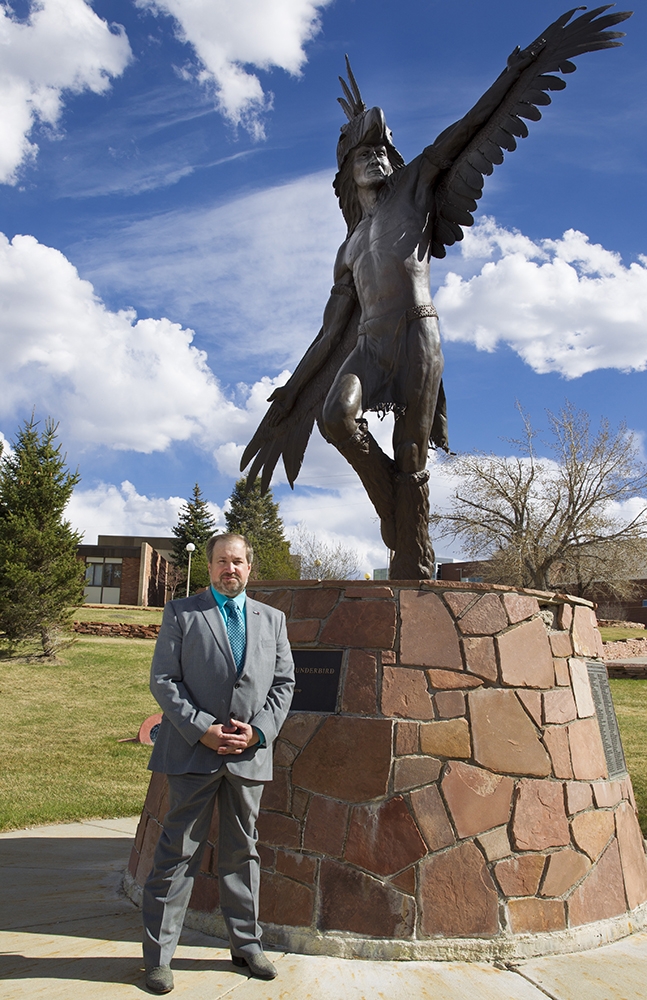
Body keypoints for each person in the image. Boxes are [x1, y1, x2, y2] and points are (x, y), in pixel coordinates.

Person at [240, 8, 631, 580]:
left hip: (418, 334)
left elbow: (470, 127)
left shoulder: (418, 187)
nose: (374, 158)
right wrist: (290, 392)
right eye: (361, 155)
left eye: (381, 152)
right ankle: (394, 517)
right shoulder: (348, 250)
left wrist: (517, 72)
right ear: (346, 173)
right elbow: (329, 335)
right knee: (335, 417)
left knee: (413, 455)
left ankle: (413, 556)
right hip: (369, 346)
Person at [141, 532, 295, 994]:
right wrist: (202, 729)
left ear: (250, 567)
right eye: (222, 562)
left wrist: (259, 731)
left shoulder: (273, 620)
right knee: (177, 853)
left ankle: (247, 946)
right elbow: (164, 680)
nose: (231, 569)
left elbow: (283, 684)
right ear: (209, 567)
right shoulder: (181, 614)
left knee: (242, 852)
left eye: (238, 562)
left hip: (249, 758)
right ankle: (158, 959)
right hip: (192, 753)